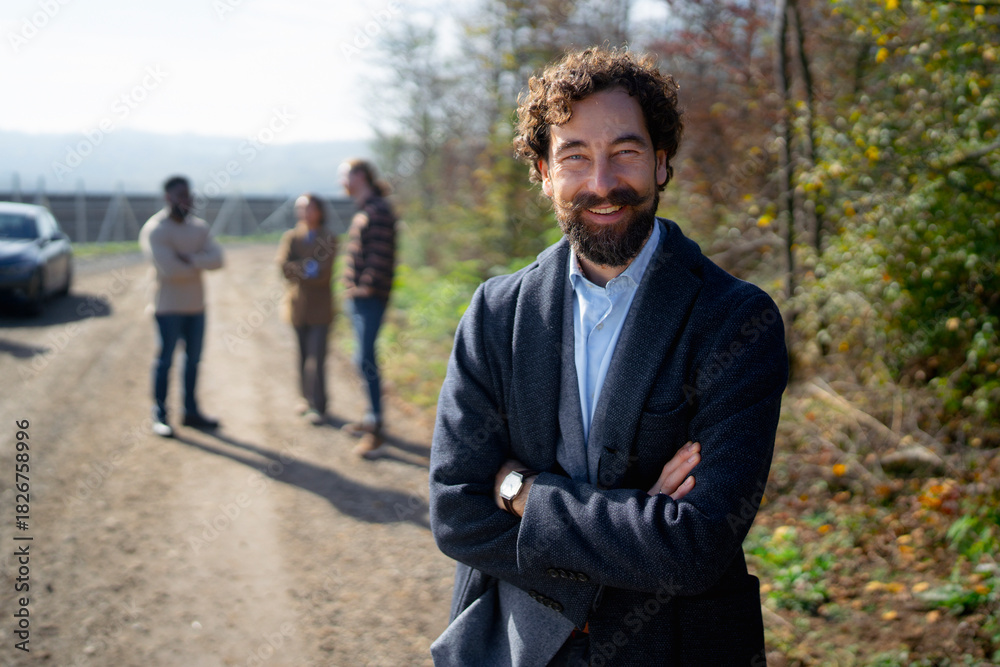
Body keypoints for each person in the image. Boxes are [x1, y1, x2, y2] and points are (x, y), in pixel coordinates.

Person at [429, 47, 788, 666]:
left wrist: (522, 492)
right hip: (518, 650)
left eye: (625, 152)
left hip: (675, 650)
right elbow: (457, 512)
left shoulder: (736, 320)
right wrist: (639, 524)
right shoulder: (496, 313)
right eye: (574, 156)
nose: (601, 183)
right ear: (544, 172)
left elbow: (697, 546)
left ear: (661, 162)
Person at [139, 176, 224, 438]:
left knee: (193, 361)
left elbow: (218, 259)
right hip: (167, 309)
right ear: (168, 197)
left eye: (189, 195)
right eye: (181, 195)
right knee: (165, 361)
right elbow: (170, 269)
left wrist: (190, 259)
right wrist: (199, 262)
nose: (186, 200)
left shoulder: (198, 228)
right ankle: (160, 415)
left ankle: (191, 412)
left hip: (196, 307)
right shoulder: (156, 230)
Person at [339, 159, 397, 458]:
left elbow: (380, 257)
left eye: (345, 176)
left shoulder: (378, 211)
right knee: (361, 359)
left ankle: (376, 429)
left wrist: (362, 289)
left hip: (368, 298)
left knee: (366, 359)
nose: (341, 182)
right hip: (360, 298)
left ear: (360, 176)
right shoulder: (367, 209)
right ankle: (370, 415)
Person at [276, 194, 338, 425]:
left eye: (309, 208)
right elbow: (283, 267)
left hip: (321, 310)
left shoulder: (328, 238)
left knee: (317, 358)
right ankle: (304, 398)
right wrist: (309, 268)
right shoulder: (292, 237)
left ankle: (319, 405)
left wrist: (299, 270)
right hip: (297, 308)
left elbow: (324, 274)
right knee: (302, 356)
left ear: (320, 211)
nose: (305, 213)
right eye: (301, 208)